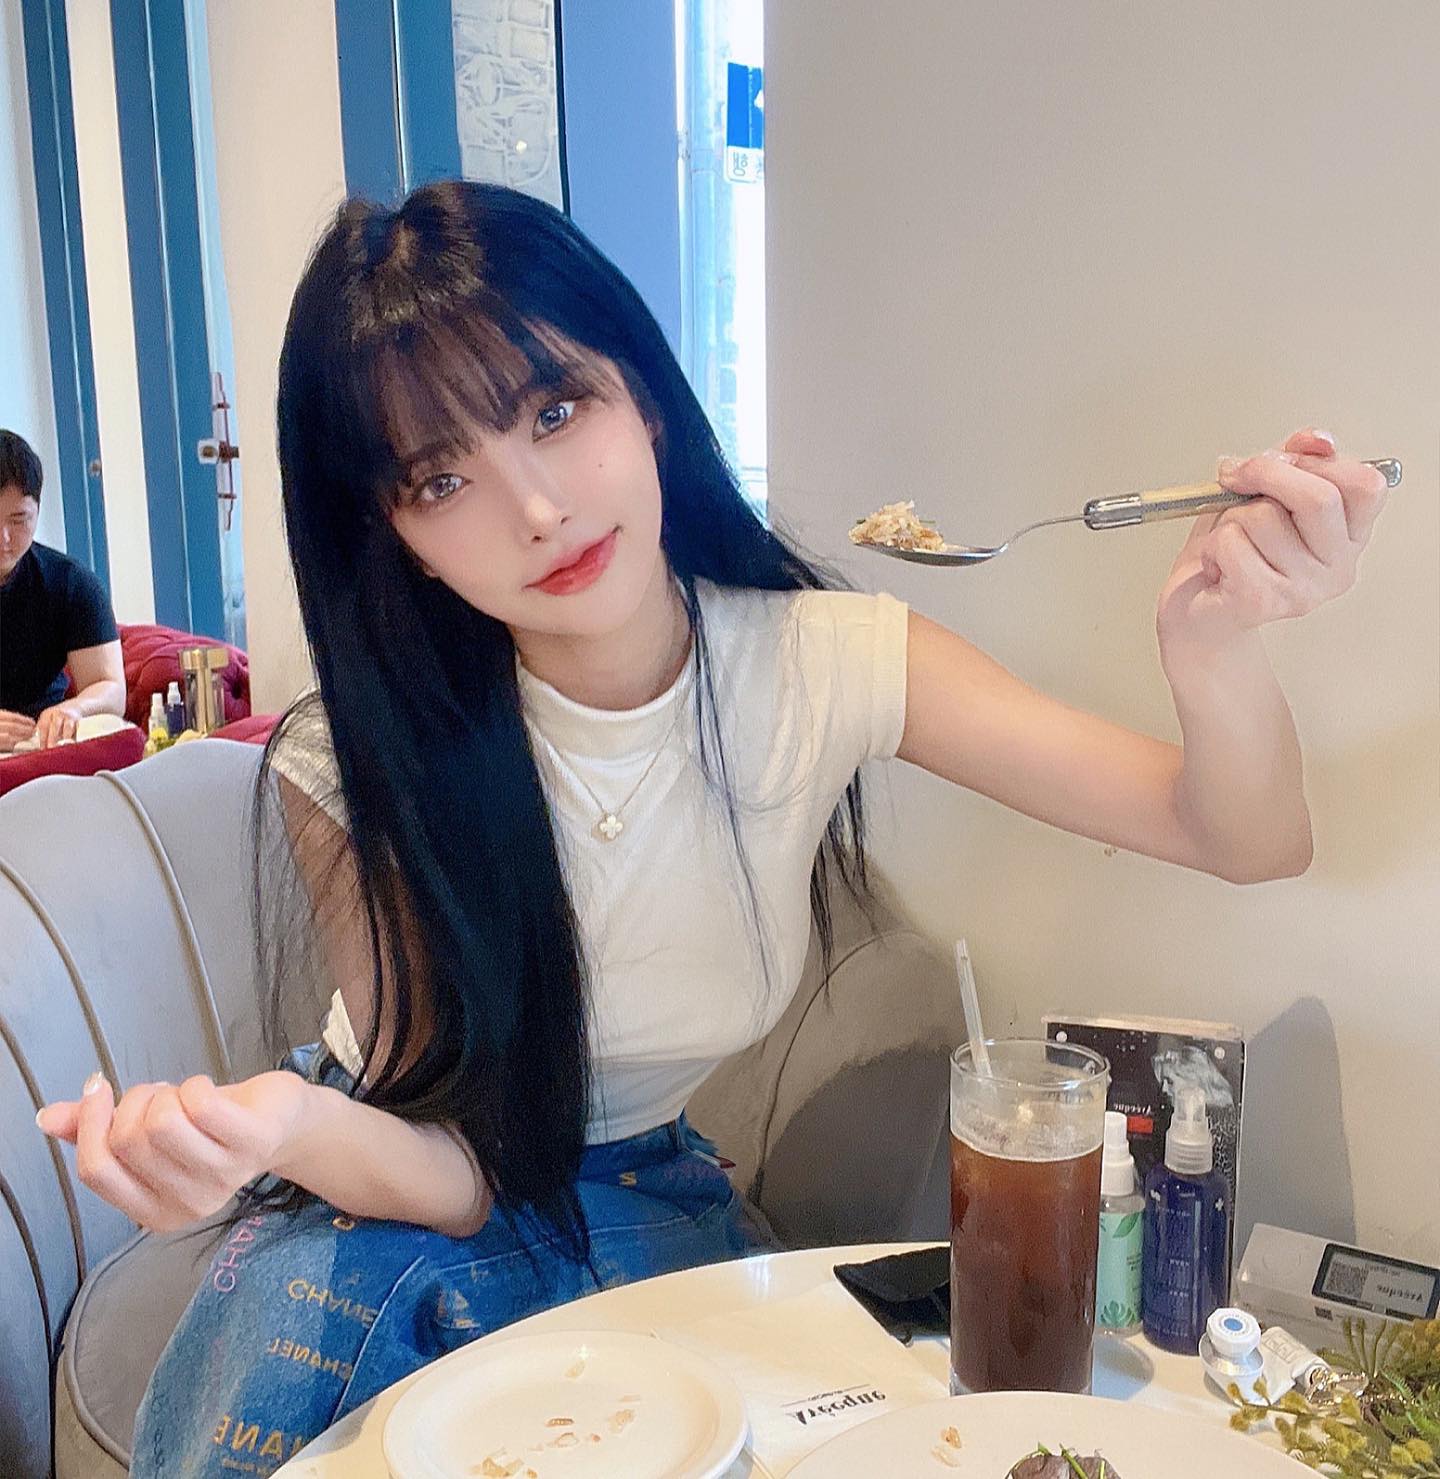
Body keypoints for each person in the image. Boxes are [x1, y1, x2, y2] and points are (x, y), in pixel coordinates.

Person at [36, 182, 1388, 1476]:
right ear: (395, 535)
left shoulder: (822, 664)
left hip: (649, 1186)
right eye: (442, 480)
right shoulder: (351, 758)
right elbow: (457, 1176)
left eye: (555, 408)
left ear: (645, 393)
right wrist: (278, 1121)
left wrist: (1213, 644)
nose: (538, 508)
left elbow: (1243, 837)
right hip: (385, 1178)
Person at [0, 429, 125, 748]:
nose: (4, 538)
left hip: (42, 746)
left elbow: (111, 688)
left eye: (18, 520)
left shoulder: (69, 582)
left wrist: (74, 709)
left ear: (37, 511)